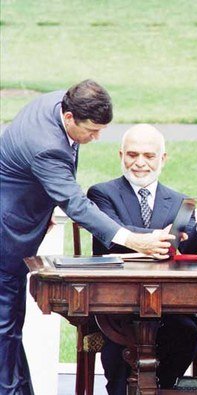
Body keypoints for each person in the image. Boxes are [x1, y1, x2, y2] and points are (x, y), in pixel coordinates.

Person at [0, 80, 173, 394]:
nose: (96, 137)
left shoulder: (59, 103)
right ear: (69, 119)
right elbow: (76, 204)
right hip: (6, 234)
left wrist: (47, 204)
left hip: (21, 208)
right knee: (4, 327)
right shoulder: (47, 145)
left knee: (9, 327)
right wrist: (135, 240)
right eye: (92, 131)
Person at [86, 124, 197, 393]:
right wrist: (158, 236)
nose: (139, 163)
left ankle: (161, 389)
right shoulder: (101, 193)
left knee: (186, 332)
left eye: (149, 156)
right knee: (119, 354)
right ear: (120, 155)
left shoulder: (179, 201)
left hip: (167, 304)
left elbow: (192, 246)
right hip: (117, 304)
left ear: (163, 159)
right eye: (132, 154)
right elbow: (111, 233)